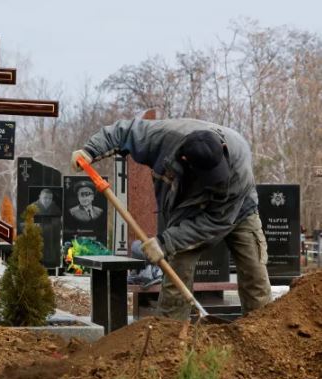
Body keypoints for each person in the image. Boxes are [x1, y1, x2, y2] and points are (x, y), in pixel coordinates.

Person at [72, 118, 272, 320]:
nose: (211, 180)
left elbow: (216, 222)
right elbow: (124, 132)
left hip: (237, 211)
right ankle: (169, 336)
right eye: (206, 176)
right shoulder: (162, 138)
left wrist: (165, 242)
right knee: (177, 273)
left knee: (254, 274)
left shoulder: (238, 168)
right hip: (185, 209)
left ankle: (259, 335)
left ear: (223, 147)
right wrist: (91, 151)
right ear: (185, 160)